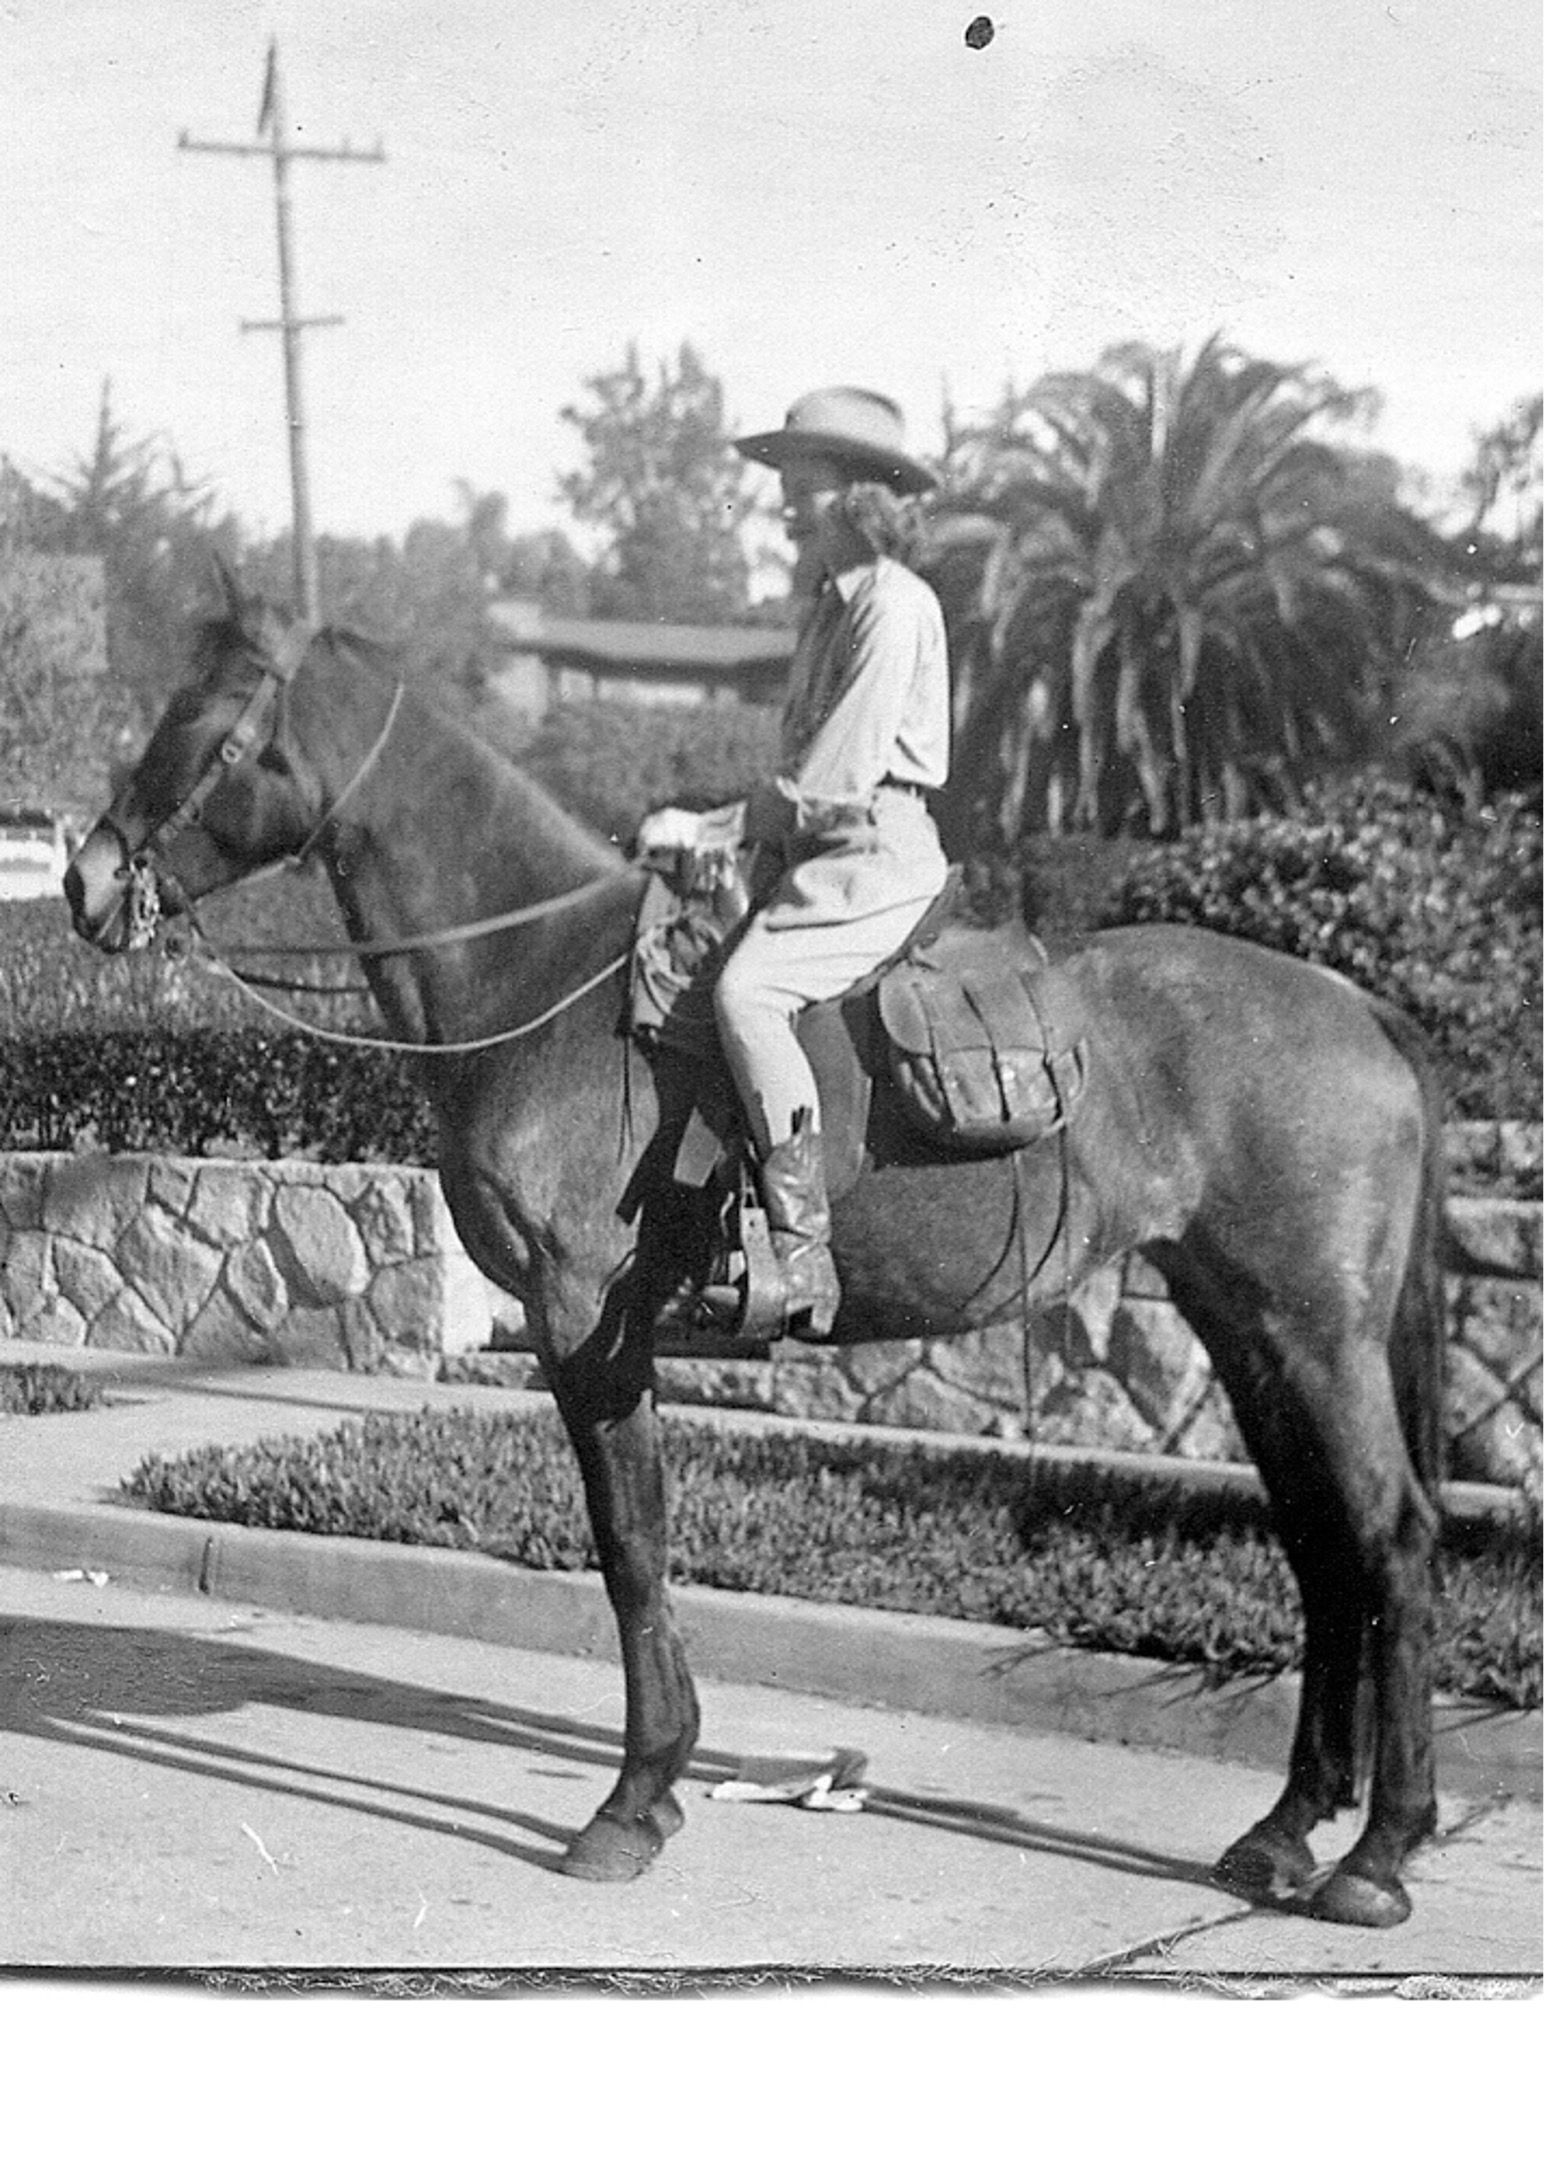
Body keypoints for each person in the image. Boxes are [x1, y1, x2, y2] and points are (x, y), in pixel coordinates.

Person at [637, 387, 952, 1339]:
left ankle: (804, 1256)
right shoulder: (832, 610)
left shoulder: (891, 609)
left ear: (861, 497)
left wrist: (711, 827)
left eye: (802, 485)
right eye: (781, 483)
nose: (780, 503)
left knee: (748, 998)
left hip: (872, 855)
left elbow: (836, 780)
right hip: (819, 850)